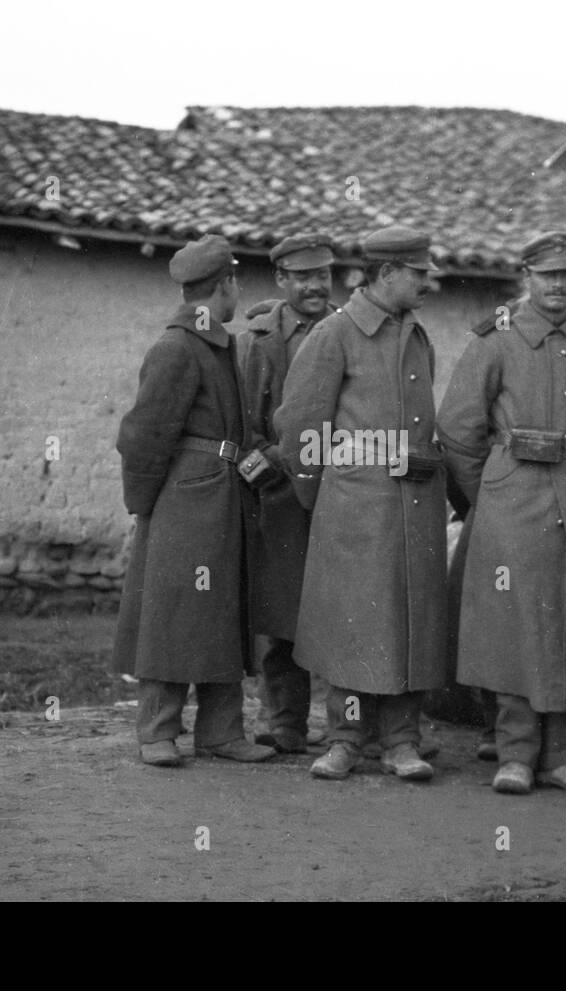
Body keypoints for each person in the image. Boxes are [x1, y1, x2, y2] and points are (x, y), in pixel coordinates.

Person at [438, 232, 566, 796]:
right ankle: (515, 754)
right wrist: (489, 491)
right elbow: (457, 428)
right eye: (548, 275)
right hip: (512, 500)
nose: (559, 285)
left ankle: (563, 756)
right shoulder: (497, 340)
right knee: (517, 624)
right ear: (527, 277)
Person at [275, 226, 448, 782]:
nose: (429, 282)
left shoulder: (417, 335)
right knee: (353, 622)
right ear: (387, 273)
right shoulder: (335, 334)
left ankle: (401, 742)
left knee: (409, 620)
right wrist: (326, 496)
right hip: (356, 503)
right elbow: (300, 427)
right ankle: (345, 739)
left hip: (415, 502)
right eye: (419, 273)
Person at [112, 235, 276, 768]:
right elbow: (143, 435)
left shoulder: (217, 342)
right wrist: (146, 506)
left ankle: (221, 732)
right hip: (184, 502)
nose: (238, 291)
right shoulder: (176, 347)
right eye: (236, 282)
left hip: (227, 494)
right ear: (224, 285)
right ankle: (157, 730)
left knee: (224, 610)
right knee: (174, 611)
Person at [238, 233, 338, 754]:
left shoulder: (349, 332)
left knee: (348, 614)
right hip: (280, 494)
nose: (315, 286)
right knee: (281, 616)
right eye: (303, 278)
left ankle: (353, 729)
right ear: (281, 280)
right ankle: (285, 723)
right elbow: (246, 421)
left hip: (341, 493)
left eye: (322, 275)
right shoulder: (259, 341)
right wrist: (272, 461)